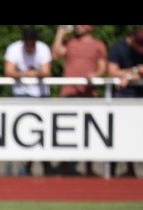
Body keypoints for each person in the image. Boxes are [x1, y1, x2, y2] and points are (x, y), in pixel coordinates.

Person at [52, 25, 107, 177]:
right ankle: (63, 168)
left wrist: (95, 74)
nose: (78, 26)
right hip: (68, 93)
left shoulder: (98, 45)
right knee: (65, 132)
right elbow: (55, 55)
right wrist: (60, 33)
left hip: (88, 94)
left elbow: (103, 68)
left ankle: (89, 168)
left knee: (89, 134)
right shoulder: (69, 43)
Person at [3, 26, 54, 176]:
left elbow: (46, 71)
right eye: (28, 43)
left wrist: (28, 74)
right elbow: (8, 71)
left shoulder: (43, 49)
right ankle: (24, 166)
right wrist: (28, 73)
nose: (30, 47)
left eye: (32, 43)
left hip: (41, 96)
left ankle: (43, 164)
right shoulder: (14, 49)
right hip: (21, 96)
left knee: (42, 134)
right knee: (23, 134)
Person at [107, 27, 143, 178]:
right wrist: (134, 71)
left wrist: (130, 75)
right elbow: (112, 71)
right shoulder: (118, 48)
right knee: (117, 135)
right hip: (121, 98)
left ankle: (130, 169)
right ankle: (112, 170)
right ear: (133, 39)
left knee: (134, 135)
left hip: (141, 99)